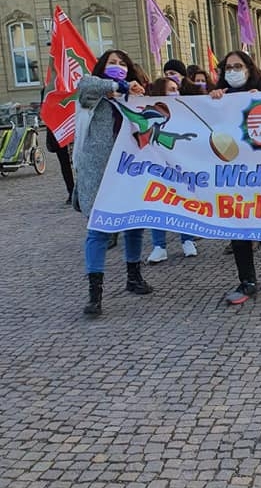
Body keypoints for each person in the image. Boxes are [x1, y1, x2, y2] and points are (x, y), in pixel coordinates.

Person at [75, 49, 153, 316]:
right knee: (98, 231)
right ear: (102, 67)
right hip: (99, 173)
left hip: (129, 171)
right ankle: (95, 293)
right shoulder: (93, 96)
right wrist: (117, 84)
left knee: (134, 225)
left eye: (122, 64)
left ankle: (134, 276)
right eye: (112, 63)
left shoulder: (132, 99)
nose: (118, 67)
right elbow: (85, 84)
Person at [210, 51, 261, 304]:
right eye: (228, 67)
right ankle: (247, 281)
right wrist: (214, 101)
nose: (232, 71)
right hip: (233, 175)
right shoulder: (219, 97)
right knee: (237, 226)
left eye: (238, 66)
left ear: (249, 69)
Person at [144, 76, 199, 262]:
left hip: (180, 167)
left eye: (176, 89)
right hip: (158, 166)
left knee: (184, 201)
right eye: (170, 89)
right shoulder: (152, 116)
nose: (175, 92)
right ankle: (159, 246)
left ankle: (187, 240)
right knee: (158, 204)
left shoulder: (183, 111)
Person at [45, 125, 74, 204]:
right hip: (59, 133)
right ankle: (72, 192)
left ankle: (74, 192)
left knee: (67, 165)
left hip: (66, 130)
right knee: (65, 165)